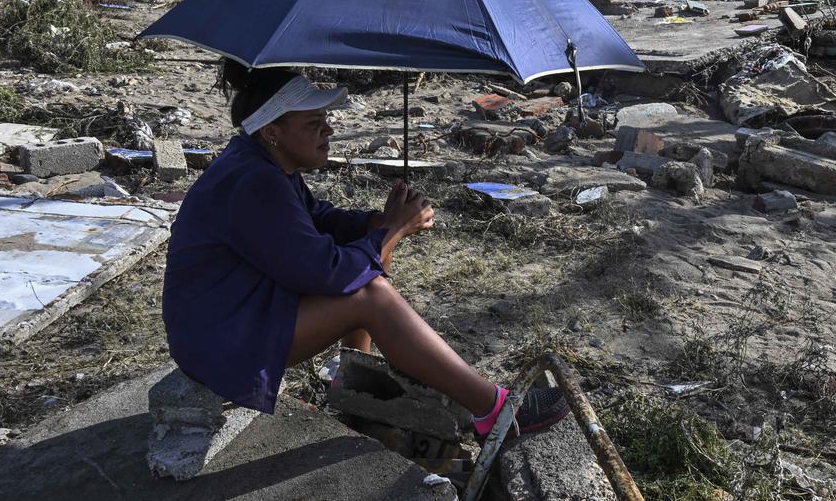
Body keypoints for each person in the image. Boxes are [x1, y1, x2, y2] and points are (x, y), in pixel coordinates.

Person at [162, 60, 568, 439]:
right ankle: (493, 412)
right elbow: (329, 272)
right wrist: (393, 230)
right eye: (313, 123)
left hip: (233, 315)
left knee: (366, 251)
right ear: (273, 131)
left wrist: (374, 224)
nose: (329, 131)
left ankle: (352, 376)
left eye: (326, 120)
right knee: (370, 294)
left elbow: (316, 218)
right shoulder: (255, 181)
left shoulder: (262, 164)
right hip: (219, 342)